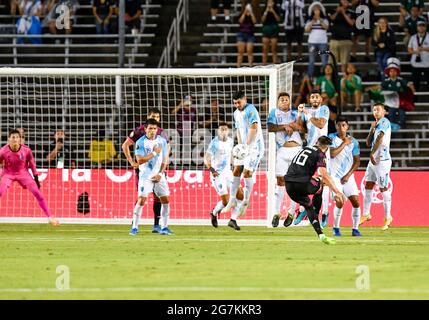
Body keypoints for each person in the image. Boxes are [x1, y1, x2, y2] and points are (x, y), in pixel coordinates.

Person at [285, 135, 345, 245]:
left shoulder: (304, 149)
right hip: (302, 183)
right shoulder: (320, 154)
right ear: (326, 148)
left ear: (316, 142)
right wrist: (337, 191)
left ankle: (321, 234)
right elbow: (324, 174)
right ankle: (316, 212)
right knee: (321, 181)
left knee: (308, 204)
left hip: (288, 184)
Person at [221, 90, 264, 229]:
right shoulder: (236, 113)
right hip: (244, 147)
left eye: (239, 102)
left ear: (244, 99)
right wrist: (240, 146)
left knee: (246, 173)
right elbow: (238, 130)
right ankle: (232, 199)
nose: (237, 105)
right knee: (236, 171)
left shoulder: (251, 109)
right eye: (234, 103)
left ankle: (246, 199)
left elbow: (254, 127)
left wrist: (247, 146)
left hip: (255, 147)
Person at [122, 108, 170, 234]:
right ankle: (135, 224)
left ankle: (157, 225)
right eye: (153, 116)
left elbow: (166, 152)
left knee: (159, 198)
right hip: (144, 171)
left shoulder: (162, 134)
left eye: (157, 117)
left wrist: (161, 170)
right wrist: (132, 162)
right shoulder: (139, 132)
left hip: (159, 170)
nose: (155, 118)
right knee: (142, 197)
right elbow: (125, 145)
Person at [0, 129, 59, 226]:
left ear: (20, 139)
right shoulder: (3, 151)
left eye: (17, 137)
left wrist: (36, 179)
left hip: (23, 173)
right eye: (13, 137)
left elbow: (32, 164)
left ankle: (50, 218)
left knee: (37, 193)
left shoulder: (26, 150)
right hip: (8, 174)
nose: (15, 139)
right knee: (0, 192)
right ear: (8, 139)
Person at [268, 92, 303, 227]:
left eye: (286, 99)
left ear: (289, 102)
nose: (284, 101)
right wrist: (285, 126)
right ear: (278, 103)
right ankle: (276, 213)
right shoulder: (274, 113)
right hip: (282, 150)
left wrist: (295, 124)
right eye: (281, 99)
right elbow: (270, 127)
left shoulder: (296, 113)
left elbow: (300, 127)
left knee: (294, 183)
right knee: (280, 181)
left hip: (296, 150)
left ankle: (290, 212)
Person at [296, 89, 330, 226]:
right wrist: (299, 114)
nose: (315, 99)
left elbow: (321, 124)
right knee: (303, 180)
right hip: (310, 149)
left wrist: (307, 113)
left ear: (321, 100)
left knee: (324, 182)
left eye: (317, 97)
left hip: (322, 150)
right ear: (310, 100)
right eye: (312, 97)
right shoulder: (306, 112)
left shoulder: (324, 109)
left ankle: (325, 214)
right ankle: (303, 209)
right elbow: (301, 129)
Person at [204, 122, 244, 229]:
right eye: (221, 129)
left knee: (241, 195)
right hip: (217, 175)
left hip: (228, 173)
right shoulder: (214, 143)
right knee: (226, 202)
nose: (224, 132)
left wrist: (235, 165)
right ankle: (214, 212)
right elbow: (206, 158)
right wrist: (212, 170)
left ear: (229, 131)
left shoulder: (231, 141)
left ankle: (233, 220)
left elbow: (230, 155)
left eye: (225, 129)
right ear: (218, 131)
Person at [360, 103, 393, 231]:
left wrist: (372, 153)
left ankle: (388, 217)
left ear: (384, 111)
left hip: (382, 160)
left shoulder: (384, 121)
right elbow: (368, 142)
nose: (376, 111)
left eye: (378, 109)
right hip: (373, 161)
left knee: (383, 188)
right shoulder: (376, 124)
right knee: (368, 184)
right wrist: (371, 130)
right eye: (374, 110)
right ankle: (366, 214)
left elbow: (380, 138)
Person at [328, 116, 362, 237]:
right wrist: (344, 143)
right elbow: (332, 154)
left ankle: (355, 229)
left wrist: (348, 175)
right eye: (339, 125)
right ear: (336, 126)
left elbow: (357, 161)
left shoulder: (354, 142)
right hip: (334, 177)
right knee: (340, 201)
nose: (341, 128)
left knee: (356, 201)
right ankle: (336, 228)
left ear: (347, 126)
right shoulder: (331, 138)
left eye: (343, 125)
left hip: (347, 177)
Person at [328, 0, 356, 74]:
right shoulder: (333, 11)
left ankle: (344, 78)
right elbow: (331, 19)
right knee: (332, 61)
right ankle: (333, 77)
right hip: (334, 40)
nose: (345, 1)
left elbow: (351, 23)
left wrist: (343, 13)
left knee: (344, 62)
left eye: (347, 1)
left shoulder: (352, 12)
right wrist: (337, 12)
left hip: (346, 40)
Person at [305, 1, 329, 79]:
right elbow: (307, 30)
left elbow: (326, 27)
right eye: (314, 10)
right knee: (311, 60)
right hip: (312, 42)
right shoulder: (309, 21)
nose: (316, 11)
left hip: (323, 43)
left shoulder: (325, 20)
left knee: (324, 61)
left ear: (321, 11)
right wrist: (312, 22)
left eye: (318, 10)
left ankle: (326, 76)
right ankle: (309, 77)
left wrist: (319, 19)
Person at [408, 20, 429, 92]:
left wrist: (423, 48)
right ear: (417, 28)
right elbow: (409, 50)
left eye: (423, 26)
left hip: (427, 64)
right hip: (416, 63)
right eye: (419, 26)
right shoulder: (413, 37)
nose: (421, 28)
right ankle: (415, 100)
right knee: (415, 83)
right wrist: (415, 51)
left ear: (425, 27)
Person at [236, 2, 257, 67]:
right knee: (240, 51)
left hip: (250, 34)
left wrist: (251, 13)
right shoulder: (242, 14)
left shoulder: (252, 14)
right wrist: (245, 13)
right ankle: (238, 67)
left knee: (249, 51)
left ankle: (250, 66)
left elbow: (254, 21)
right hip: (241, 34)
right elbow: (240, 21)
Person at [261, 0, 281, 65]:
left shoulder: (276, 10)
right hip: (266, 30)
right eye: (268, 2)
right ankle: (264, 66)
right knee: (265, 49)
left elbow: (278, 19)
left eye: (271, 2)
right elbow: (262, 20)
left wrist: (273, 11)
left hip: (274, 30)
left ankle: (274, 65)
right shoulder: (264, 10)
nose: (270, 3)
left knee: (274, 49)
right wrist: (266, 11)